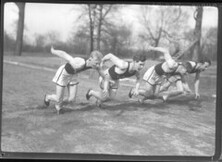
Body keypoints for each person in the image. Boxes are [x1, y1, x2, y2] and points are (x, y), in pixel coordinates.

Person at [44, 47, 103, 114]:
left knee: (71, 100)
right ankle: (49, 97)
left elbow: (103, 75)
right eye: (96, 63)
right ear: (90, 59)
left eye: (99, 63)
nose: (97, 65)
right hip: (63, 74)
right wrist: (53, 51)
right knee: (58, 99)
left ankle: (58, 104)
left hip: (73, 75)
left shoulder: (94, 65)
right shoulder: (80, 62)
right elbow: (65, 55)